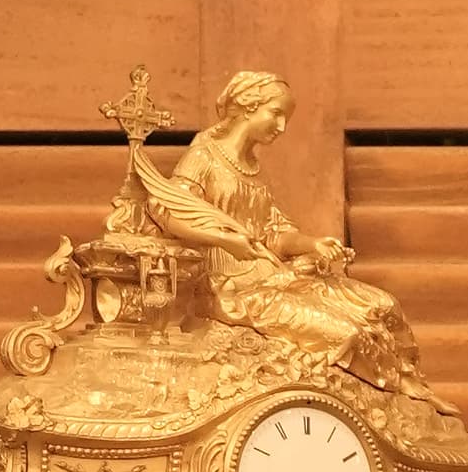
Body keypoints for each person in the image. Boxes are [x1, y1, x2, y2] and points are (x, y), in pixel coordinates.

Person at [130, 71, 417, 385]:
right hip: (229, 290)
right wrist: (224, 241)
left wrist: (312, 244)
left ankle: (410, 391)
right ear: (249, 107)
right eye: (276, 114)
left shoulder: (252, 168)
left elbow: (272, 234)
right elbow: (167, 211)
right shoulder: (204, 157)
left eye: (286, 119)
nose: (281, 128)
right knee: (347, 331)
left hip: (275, 277)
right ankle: (378, 393)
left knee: (383, 305)